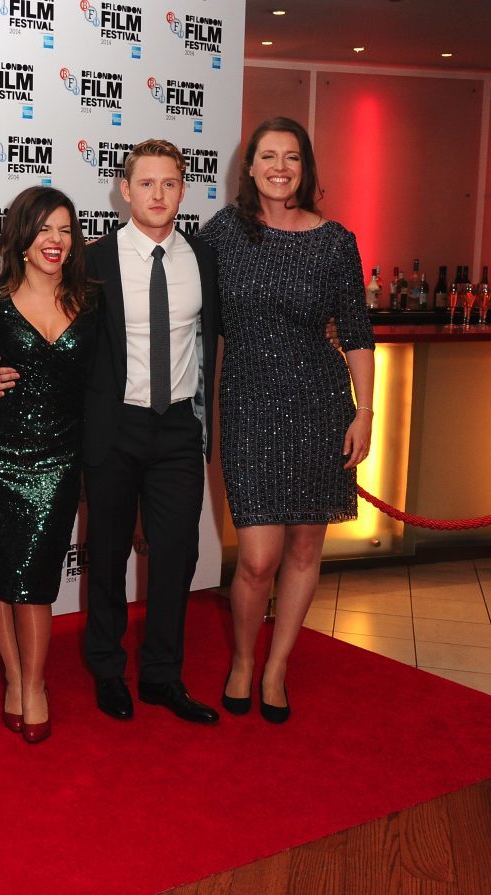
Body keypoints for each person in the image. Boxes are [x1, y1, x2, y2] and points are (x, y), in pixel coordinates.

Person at [0, 139, 221, 726]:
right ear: (124, 190)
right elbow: (33, 321)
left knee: (177, 554)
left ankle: (164, 675)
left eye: (170, 183)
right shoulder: (91, 260)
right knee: (109, 555)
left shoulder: (204, 259)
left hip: (176, 430)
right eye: (146, 184)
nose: (158, 194)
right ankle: (109, 671)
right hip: (113, 427)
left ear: (183, 189)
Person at [200, 117, 374, 723]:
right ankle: (242, 660)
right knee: (256, 558)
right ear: (248, 168)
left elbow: (356, 332)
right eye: (268, 156)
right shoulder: (224, 234)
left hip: (321, 406)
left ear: (306, 169)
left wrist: (366, 411)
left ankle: (275, 669)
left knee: (305, 547)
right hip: (248, 404)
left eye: (292, 157)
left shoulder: (335, 242)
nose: (280, 167)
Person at [0, 186, 96, 744]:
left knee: (38, 578)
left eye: (65, 230)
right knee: (0, 574)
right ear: (22, 237)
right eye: (44, 229)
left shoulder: (92, 301)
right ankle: (15, 679)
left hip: (62, 458)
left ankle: (38, 683)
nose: (56, 241)